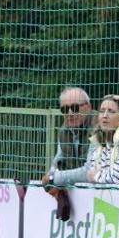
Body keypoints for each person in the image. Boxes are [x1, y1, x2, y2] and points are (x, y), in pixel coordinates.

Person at [47, 94, 119, 187]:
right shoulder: (98, 136)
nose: (105, 116)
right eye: (102, 111)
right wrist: (52, 176)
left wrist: (55, 178)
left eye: (111, 111)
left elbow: (117, 177)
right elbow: (92, 169)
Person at [42, 86, 94, 220]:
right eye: (65, 109)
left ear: (88, 106)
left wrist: (54, 179)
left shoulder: (98, 127)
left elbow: (89, 172)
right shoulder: (64, 130)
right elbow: (57, 163)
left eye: (75, 108)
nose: (70, 113)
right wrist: (51, 178)